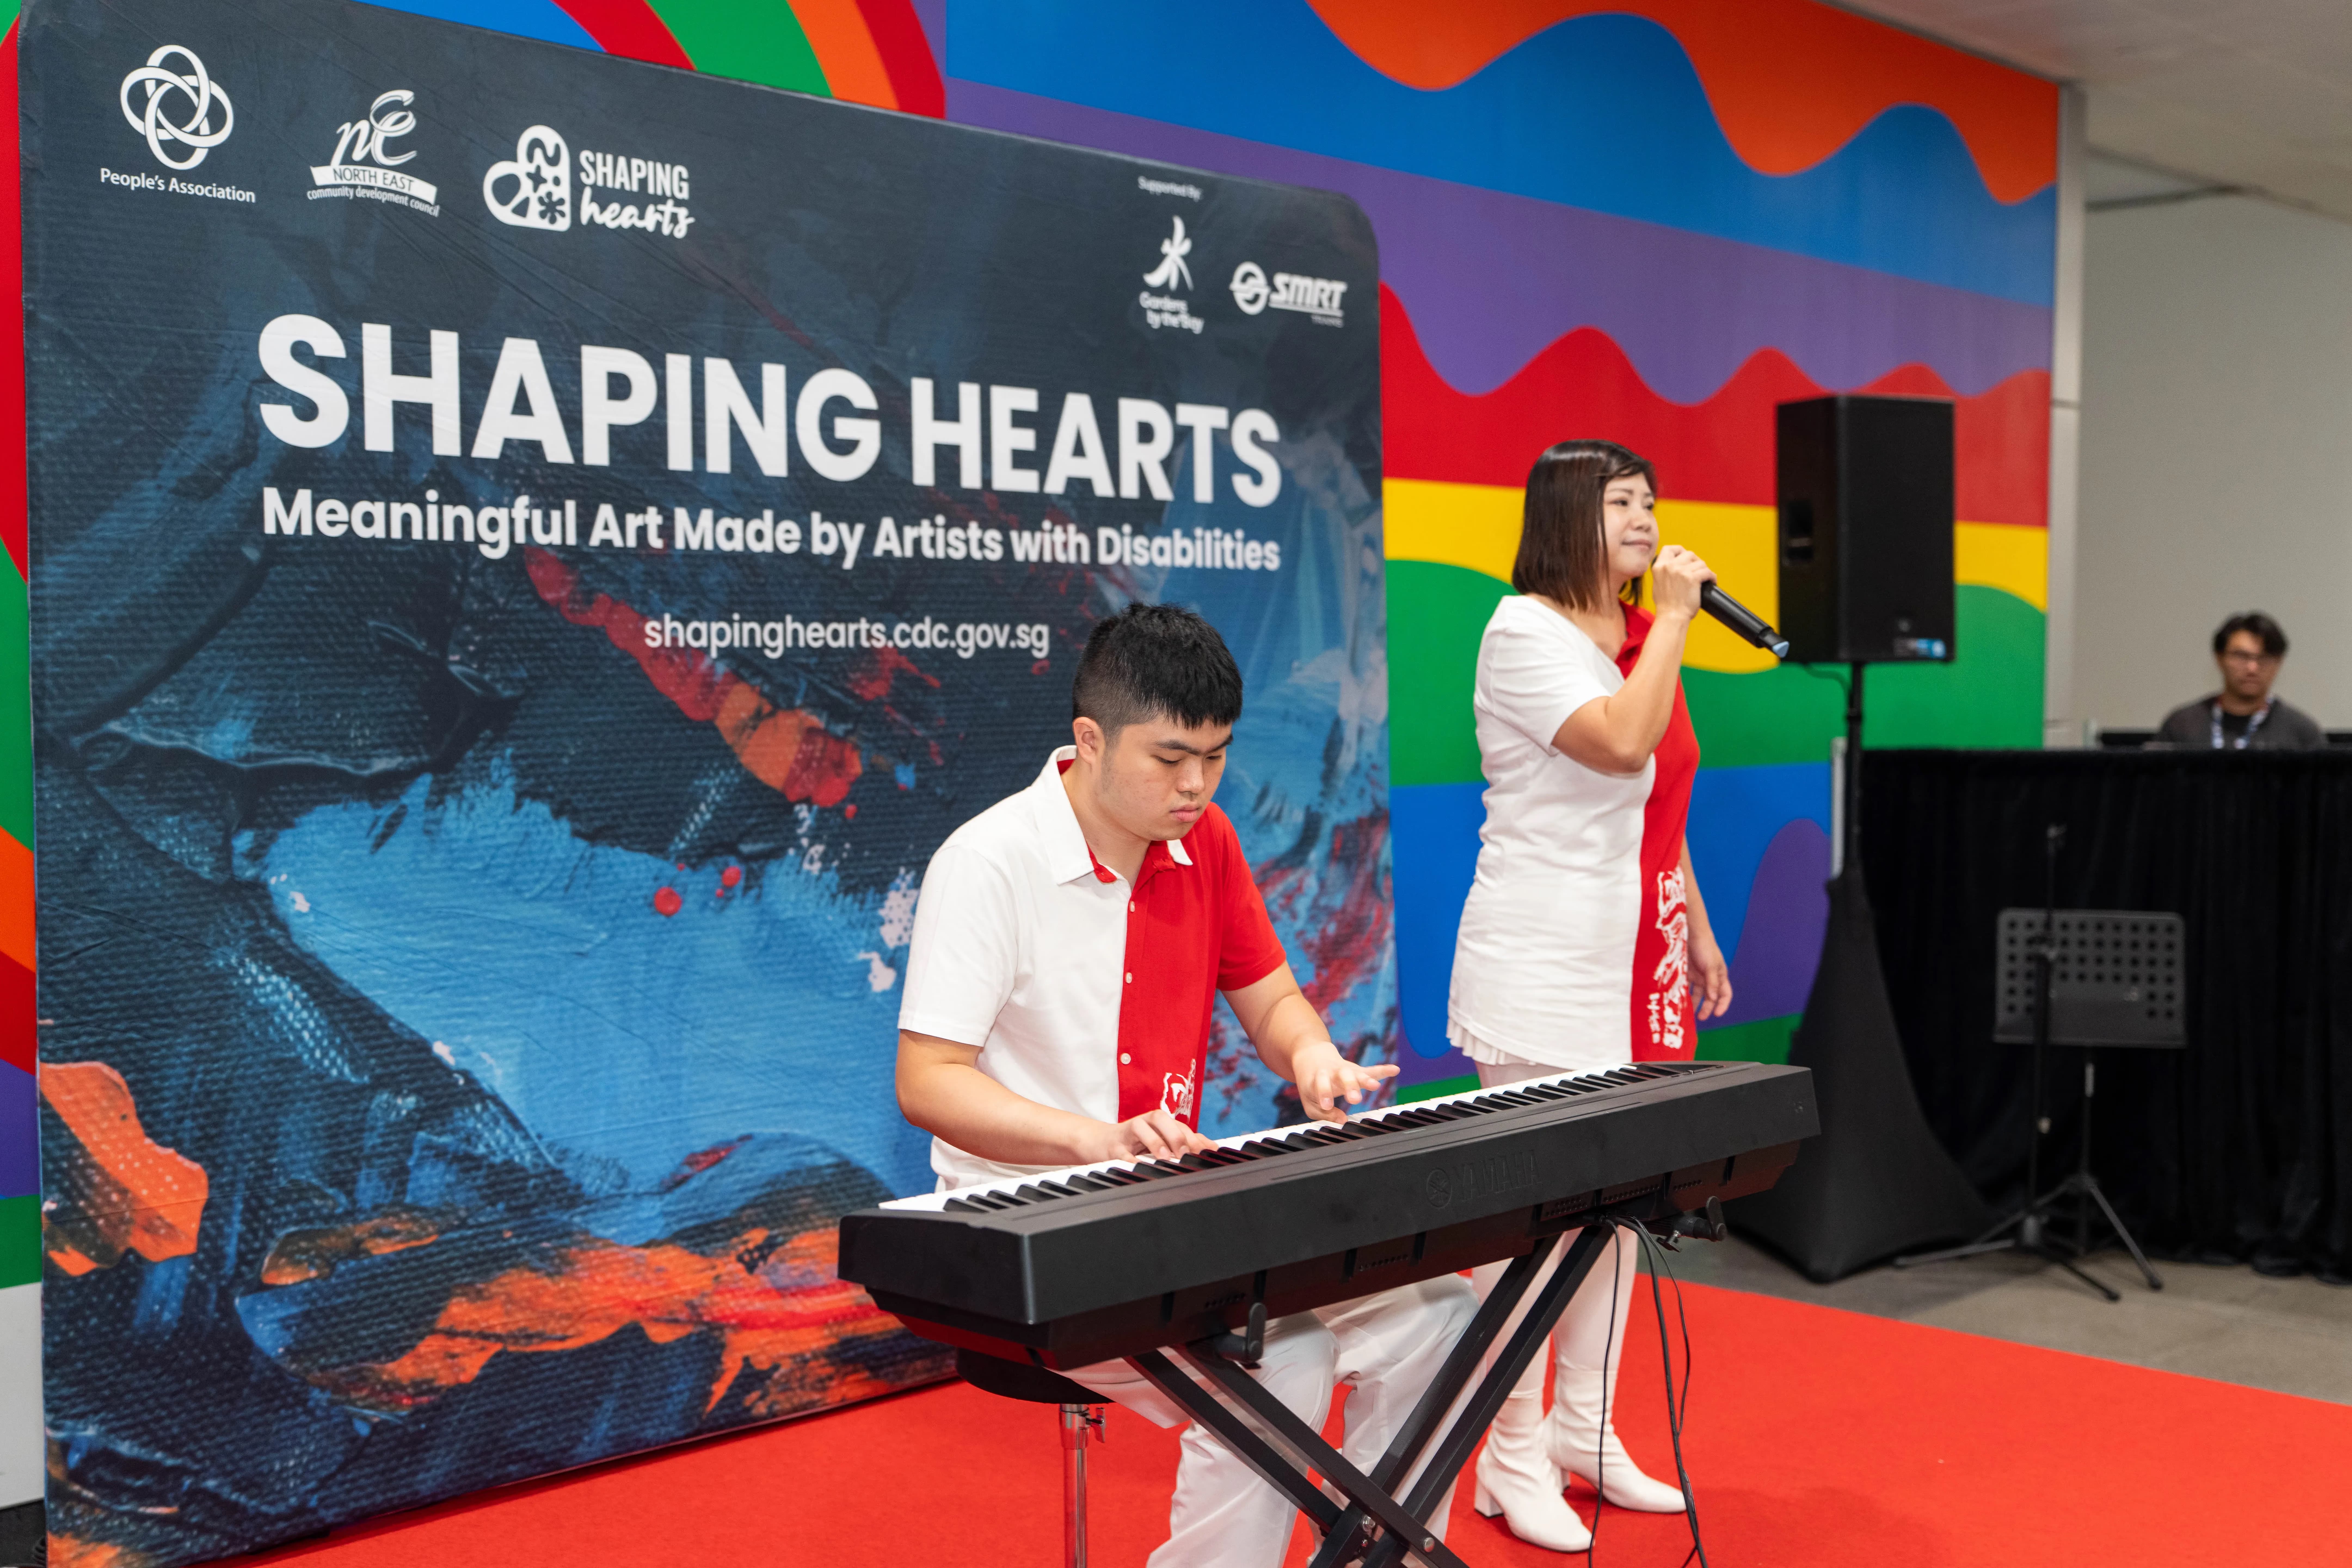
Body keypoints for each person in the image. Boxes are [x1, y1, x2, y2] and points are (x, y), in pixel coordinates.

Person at [894, 602, 1478, 1568]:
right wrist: (1091, 1139)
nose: (1198, 784)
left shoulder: (1205, 841)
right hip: (1024, 1224)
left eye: (1214, 755)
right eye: (1171, 758)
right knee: (1282, 1358)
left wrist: (1311, 1056)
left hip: (1169, 1209)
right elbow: (928, 1081)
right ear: (1089, 739)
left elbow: (1274, 997)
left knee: (1443, 1319)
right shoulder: (989, 862)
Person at [1444, 440, 1733, 1551]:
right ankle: (1507, 1457)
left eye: (1653, 500)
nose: (1647, 518)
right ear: (1567, 513)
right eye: (1622, 502)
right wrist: (1668, 624)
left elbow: (1658, 806)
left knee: (1615, 1219)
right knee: (1539, 1221)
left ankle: (1585, 1432)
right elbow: (1620, 744)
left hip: (1628, 962)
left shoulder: (1634, 632)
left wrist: (1694, 928)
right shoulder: (1523, 632)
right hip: (1541, 961)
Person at [2154, 612, 2323, 750]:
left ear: (2278, 664)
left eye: (2264, 658)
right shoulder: (2182, 726)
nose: (2252, 668)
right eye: (2241, 656)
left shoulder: (2302, 733)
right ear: (2220, 658)